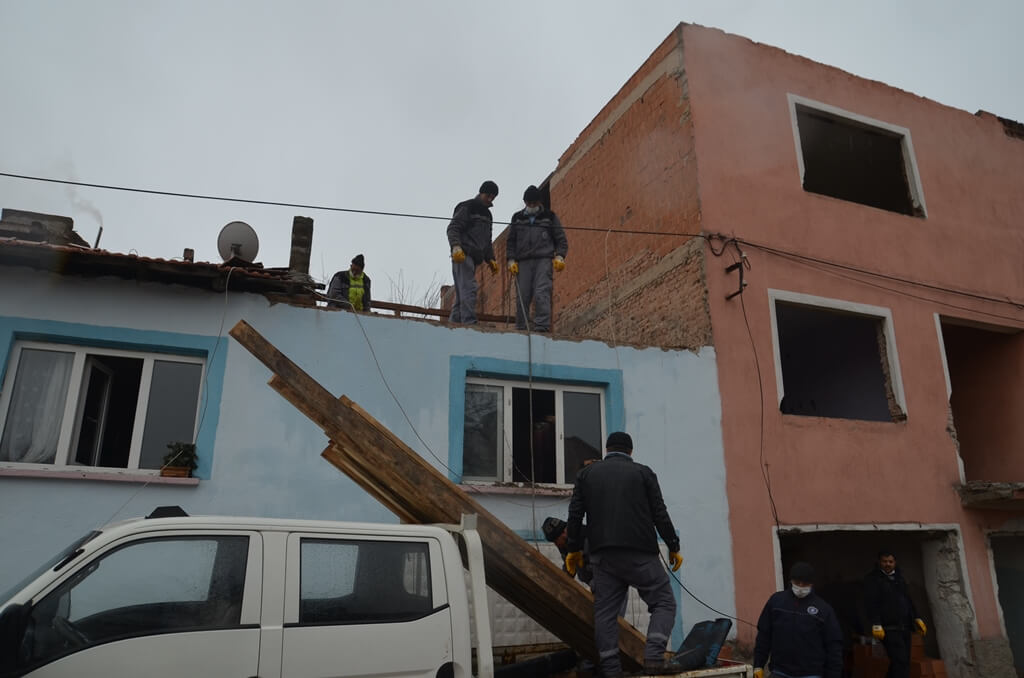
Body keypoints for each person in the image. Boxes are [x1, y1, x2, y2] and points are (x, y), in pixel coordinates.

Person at [565, 432, 683, 677]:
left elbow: (575, 516)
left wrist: (573, 549)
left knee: (605, 613)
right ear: (630, 452)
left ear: (607, 450)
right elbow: (660, 513)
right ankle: (653, 658)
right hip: (640, 553)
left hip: (603, 557)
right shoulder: (643, 473)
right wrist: (673, 545)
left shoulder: (586, 475)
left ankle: (610, 670)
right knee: (664, 602)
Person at [753, 562, 842, 678]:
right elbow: (764, 635)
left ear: (811, 584)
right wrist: (758, 665)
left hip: (811, 673)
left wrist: (833, 675)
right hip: (780, 671)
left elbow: (833, 645)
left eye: (805, 583)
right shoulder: (776, 602)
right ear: (791, 581)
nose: (800, 586)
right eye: (797, 582)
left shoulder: (823, 609)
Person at [507, 185, 568, 332]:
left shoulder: (550, 217)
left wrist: (560, 256)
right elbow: (510, 241)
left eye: (534, 203)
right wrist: (510, 259)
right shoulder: (518, 218)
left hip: (543, 260)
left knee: (542, 293)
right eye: (529, 203)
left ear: (539, 202)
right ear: (525, 202)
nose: (531, 206)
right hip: (523, 262)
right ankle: (522, 328)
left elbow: (561, 239)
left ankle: (542, 327)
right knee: (523, 295)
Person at [864, 550, 927, 678]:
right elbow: (871, 603)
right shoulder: (873, 579)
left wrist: (916, 617)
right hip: (888, 628)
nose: (888, 564)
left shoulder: (899, 578)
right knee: (900, 661)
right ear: (879, 562)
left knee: (902, 662)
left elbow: (908, 600)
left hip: (904, 627)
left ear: (895, 563)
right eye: (885, 561)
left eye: (890, 561)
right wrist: (876, 623)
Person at [447, 181, 499, 324]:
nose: (490, 199)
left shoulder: (488, 215)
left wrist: (491, 259)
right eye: (488, 195)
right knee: (469, 288)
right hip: (463, 254)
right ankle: (469, 322)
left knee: (462, 293)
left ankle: (455, 324)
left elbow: (487, 240)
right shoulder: (467, 207)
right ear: (481, 192)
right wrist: (456, 246)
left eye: (493, 197)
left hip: (475, 257)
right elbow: (453, 228)